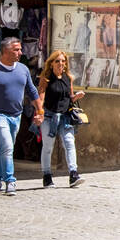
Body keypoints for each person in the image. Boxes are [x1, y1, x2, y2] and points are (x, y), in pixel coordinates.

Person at [0, 35, 43, 196]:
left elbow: (32, 91)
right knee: (8, 146)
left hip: (16, 115)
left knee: (5, 147)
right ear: (5, 51)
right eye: (16, 50)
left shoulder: (23, 69)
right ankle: (10, 181)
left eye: (20, 49)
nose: (20, 52)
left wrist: (40, 111)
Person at [37, 50, 86, 188]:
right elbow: (41, 98)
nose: (61, 64)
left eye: (63, 61)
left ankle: (73, 174)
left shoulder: (68, 78)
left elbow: (69, 98)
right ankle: (47, 176)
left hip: (65, 116)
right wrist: (39, 113)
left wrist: (76, 96)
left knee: (70, 143)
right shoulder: (45, 79)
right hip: (49, 116)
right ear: (51, 63)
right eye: (57, 61)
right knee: (48, 147)